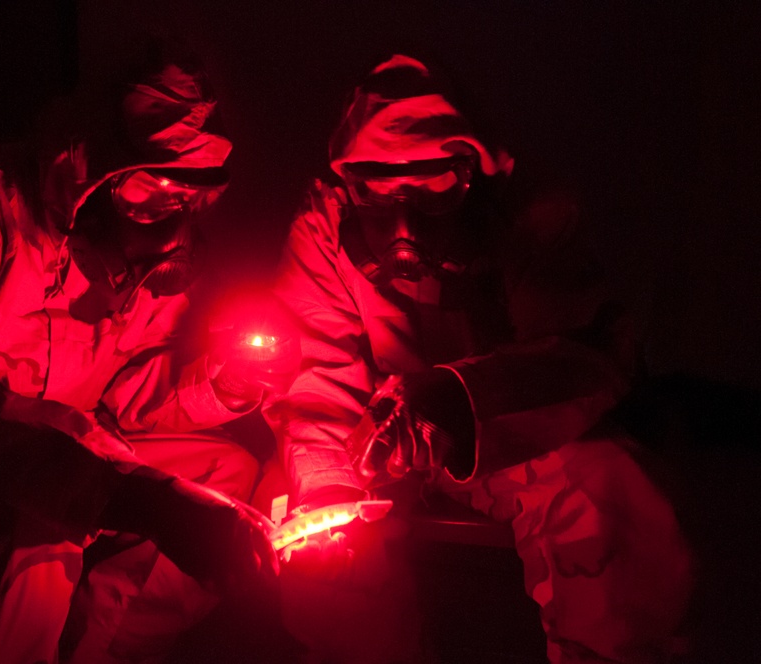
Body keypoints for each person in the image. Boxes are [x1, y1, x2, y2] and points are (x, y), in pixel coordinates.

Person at [261, 54, 693, 663]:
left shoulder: (532, 218)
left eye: (434, 193)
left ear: (471, 175)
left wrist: (458, 402)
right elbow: (316, 367)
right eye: (379, 196)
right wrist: (328, 483)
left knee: (606, 497)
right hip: (378, 436)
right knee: (317, 544)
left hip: (510, 432)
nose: (404, 225)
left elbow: (580, 358)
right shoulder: (326, 226)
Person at [0, 41, 282, 664]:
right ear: (94, 167)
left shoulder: (142, 261)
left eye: (188, 199)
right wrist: (138, 499)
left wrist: (223, 384)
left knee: (224, 473)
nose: (172, 225)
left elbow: (120, 401)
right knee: (48, 532)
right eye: (153, 190)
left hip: (71, 456)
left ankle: (101, 650)